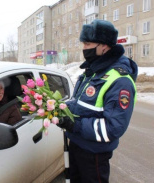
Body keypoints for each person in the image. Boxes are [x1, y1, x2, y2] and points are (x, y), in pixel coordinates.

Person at [57, 19, 138, 183]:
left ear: (104, 46)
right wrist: (63, 109)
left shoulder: (120, 80)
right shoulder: (92, 71)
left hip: (94, 153)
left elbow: (113, 128)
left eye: (87, 44)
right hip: (77, 144)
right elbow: (81, 104)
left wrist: (74, 124)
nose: (84, 48)